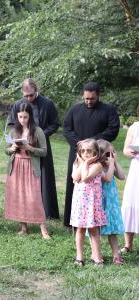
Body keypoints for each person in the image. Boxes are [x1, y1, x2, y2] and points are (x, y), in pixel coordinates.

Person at [63, 82, 120, 227]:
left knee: (96, 186)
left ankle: (96, 220)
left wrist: (93, 142)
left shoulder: (108, 110)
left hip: (99, 154)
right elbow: (66, 129)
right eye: (86, 98)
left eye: (92, 98)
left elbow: (113, 129)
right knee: (76, 183)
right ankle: (73, 221)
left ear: (98, 96)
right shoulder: (74, 110)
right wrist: (81, 144)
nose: (89, 101)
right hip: (78, 153)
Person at [8, 79, 59, 219]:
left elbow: (55, 124)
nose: (29, 98)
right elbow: (12, 124)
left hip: (40, 144)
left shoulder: (47, 104)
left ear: (36, 91)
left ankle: (48, 211)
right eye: (26, 95)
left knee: (44, 177)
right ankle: (26, 209)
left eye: (31, 95)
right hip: (23, 148)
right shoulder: (18, 105)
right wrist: (18, 138)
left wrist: (40, 135)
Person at [4, 103, 50, 239]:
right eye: (20, 117)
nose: (22, 120)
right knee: (18, 195)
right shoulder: (13, 131)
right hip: (16, 166)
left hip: (30, 166)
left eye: (25, 117)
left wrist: (30, 148)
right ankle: (23, 227)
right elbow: (7, 150)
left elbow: (44, 152)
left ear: (30, 116)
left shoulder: (38, 131)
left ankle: (43, 229)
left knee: (34, 197)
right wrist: (11, 149)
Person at [70, 139, 106, 266]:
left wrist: (87, 162)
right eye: (83, 151)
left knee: (93, 230)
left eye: (89, 151)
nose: (85, 153)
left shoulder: (97, 166)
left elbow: (85, 178)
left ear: (95, 153)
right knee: (79, 229)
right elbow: (75, 177)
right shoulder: (77, 164)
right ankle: (79, 257)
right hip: (80, 203)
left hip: (92, 203)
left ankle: (96, 256)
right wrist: (81, 163)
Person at [96, 139, 125, 264]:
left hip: (111, 203)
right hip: (100, 202)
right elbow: (107, 179)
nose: (111, 156)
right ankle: (96, 254)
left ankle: (116, 255)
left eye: (113, 153)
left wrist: (115, 163)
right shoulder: (98, 166)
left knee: (112, 230)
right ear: (100, 154)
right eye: (108, 154)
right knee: (96, 229)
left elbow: (122, 176)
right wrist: (111, 164)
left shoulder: (111, 165)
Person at [120, 104, 139, 254]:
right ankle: (128, 244)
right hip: (136, 168)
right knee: (131, 201)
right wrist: (131, 152)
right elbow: (125, 150)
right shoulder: (134, 127)